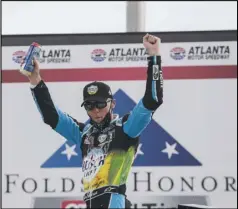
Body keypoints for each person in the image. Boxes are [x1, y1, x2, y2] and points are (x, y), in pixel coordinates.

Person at [20, 34, 163, 209]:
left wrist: (153, 56)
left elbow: (152, 100)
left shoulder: (126, 128)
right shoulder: (84, 133)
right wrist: (35, 80)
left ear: (112, 104)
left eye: (101, 104)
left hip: (115, 202)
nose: (95, 110)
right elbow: (52, 117)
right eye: (89, 105)